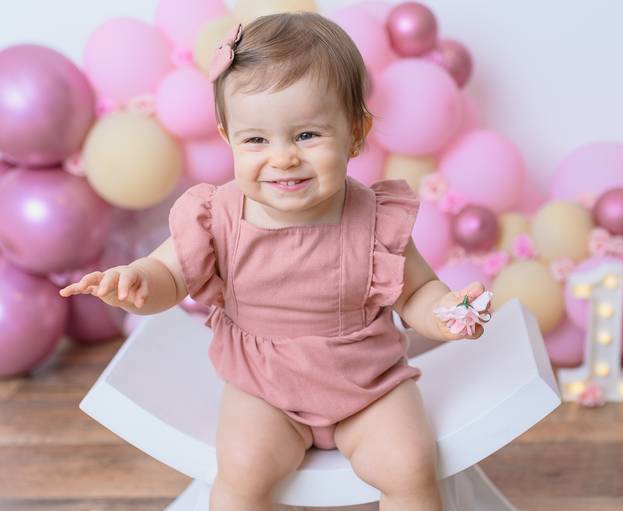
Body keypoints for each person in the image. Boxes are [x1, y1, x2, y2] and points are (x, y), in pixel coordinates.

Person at [60, 12, 492, 511]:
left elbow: (415, 292)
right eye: (256, 140)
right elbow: (169, 275)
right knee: (244, 469)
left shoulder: (376, 218)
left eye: (307, 135)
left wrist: (446, 313)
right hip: (263, 390)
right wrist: (137, 281)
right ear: (228, 137)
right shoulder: (216, 216)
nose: (283, 158)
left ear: (355, 132)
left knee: (409, 463)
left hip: (369, 385)